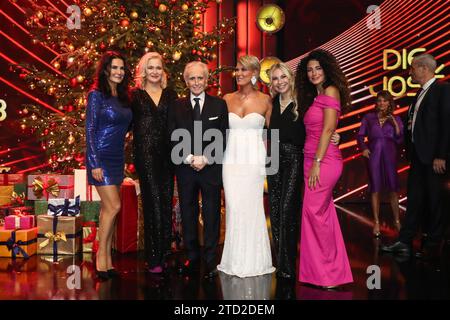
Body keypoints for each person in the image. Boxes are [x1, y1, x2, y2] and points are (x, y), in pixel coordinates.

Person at [267, 62, 341, 281]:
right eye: (274, 78)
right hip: (273, 159)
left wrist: (336, 136)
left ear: (290, 78)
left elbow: (320, 126)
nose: (279, 82)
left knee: (288, 209)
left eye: (283, 77)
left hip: (294, 158)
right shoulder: (271, 103)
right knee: (275, 210)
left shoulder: (304, 101)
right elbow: (267, 133)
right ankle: (280, 264)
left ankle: (289, 267)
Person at [381, 53, 450, 259]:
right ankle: (405, 241)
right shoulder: (419, 94)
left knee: (436, 200)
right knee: (415, 200)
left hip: (434, 158)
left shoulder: (442, 90)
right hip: (419, 158)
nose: (410, 72)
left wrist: (441, 155)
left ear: (424, 69)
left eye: (412, 68)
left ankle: (433, 244)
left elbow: (447, 124)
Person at [295, 49, 353, 289]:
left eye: (318, 68)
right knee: (323, 214)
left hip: (324, 161)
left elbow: (328, 129)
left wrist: (317, 163)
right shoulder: (315, 96)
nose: (313, 73)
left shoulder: (330, 90)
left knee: (313, 212)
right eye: (309, 69)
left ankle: (327, 274)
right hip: (312, 159)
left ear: (327, 69)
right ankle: (326, 273)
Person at [168, 61, 229, 280]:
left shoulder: (219, 105)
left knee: (212, 213)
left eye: (200, 78)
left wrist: (206, 158)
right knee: (188, 212)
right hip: (185, 169)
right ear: (186, 81)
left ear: (207, 80)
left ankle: (211, 260)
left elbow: (224, 137)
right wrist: (189, 158)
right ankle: (192, 257)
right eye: (192, 78)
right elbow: (172, 135)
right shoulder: (176, 106)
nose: (196, 82)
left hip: (210, 169)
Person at [217, 55, 275, 278]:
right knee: (233, 206)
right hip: (231, 160)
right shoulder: (226, 98)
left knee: (252, 207)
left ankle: (255, 260)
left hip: (254, 162)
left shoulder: (266, 100)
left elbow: (274, 134)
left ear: (254, 73)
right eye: (237, 70)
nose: (239, 73)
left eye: (243, 70)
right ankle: (233, 259)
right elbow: (218, 131)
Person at [85, 51, 132, 280]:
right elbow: (90, 130)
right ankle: (101, 257)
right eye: (114, 68)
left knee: (107, 209)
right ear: (105, 70)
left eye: (122, 68)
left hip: (116, 158)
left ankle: (108, 261)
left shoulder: (123, 97)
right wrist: (94, 162)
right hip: (100, 157)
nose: (119, 72)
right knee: (114, 206)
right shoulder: (96, 95)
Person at [130, 52, 178, 273]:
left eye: (159, 68)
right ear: (143, 70)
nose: (155, 72)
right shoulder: (135, 95)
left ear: (163, 71)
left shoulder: (171, 94)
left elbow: (178, 125)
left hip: (168, 155)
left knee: (166, 200)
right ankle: (154, 257)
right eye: (151, 68)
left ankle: (165, 252)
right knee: (152, 202)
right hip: (145, 155)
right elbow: (126, 124)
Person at [357, 91, 404, 237]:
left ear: (390, 102)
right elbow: (360, 135)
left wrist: (395, 123)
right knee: (375, 189)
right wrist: (364, 148)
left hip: (390, 157)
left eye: (385, 101)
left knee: (393, 189)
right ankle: (376, 222)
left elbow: (400, 139)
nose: (381, 103)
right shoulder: (369, 118)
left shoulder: (396, 118)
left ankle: (397, 220)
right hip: (374, 156)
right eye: (379, 101)